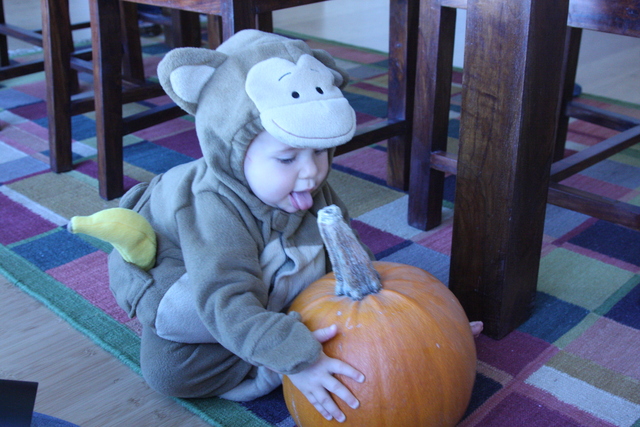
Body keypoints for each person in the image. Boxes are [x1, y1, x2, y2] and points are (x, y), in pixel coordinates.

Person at [99, 30, 482, 424]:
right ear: (234, 153)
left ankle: (266, 328)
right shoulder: (213, 207)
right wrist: (293, 358)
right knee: (168, 372)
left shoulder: (308, 183)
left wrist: (424, 329)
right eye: (287, 158)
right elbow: (224, 299)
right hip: (186, 275)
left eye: (320, 151)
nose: (311, 172)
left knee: (307, 267)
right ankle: (262, 362)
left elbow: (350, 257)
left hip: (250, 265)